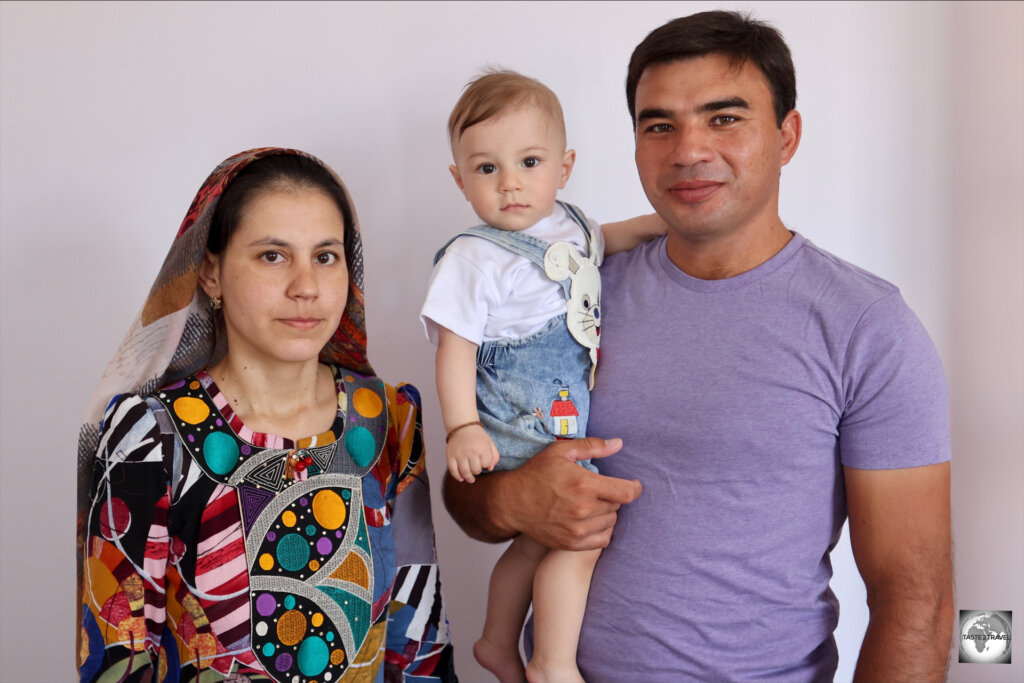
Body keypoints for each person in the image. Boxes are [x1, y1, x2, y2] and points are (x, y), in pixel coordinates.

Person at [443, 11, 953, 683]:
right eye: (659, 125)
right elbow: (469, 494)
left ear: (787, 135)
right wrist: (512, 500)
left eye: (724, 118)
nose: (687, 150)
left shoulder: (867, 327)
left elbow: (919, 603)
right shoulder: (565, 294)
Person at [76, 148, 457, 682]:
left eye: (325, 256)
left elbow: (419, 646)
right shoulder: (150, 435)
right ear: (209, 272)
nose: (305, 286)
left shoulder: (387, 418)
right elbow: (120, 659)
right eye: (273, 256)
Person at [420, 70, 664, 683]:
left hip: (555, 407)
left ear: (565, 166)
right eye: (485, 169)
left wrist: (659, 225)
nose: (510, 184)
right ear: (458, 180)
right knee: (579, 533)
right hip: (513, 415)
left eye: (529, 162)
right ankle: (553, 665)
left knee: (533, 541)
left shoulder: (571, 226)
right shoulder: (474, 257)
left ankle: (498, 642)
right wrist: (462, 428)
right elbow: (454, 350)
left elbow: (604, 241)